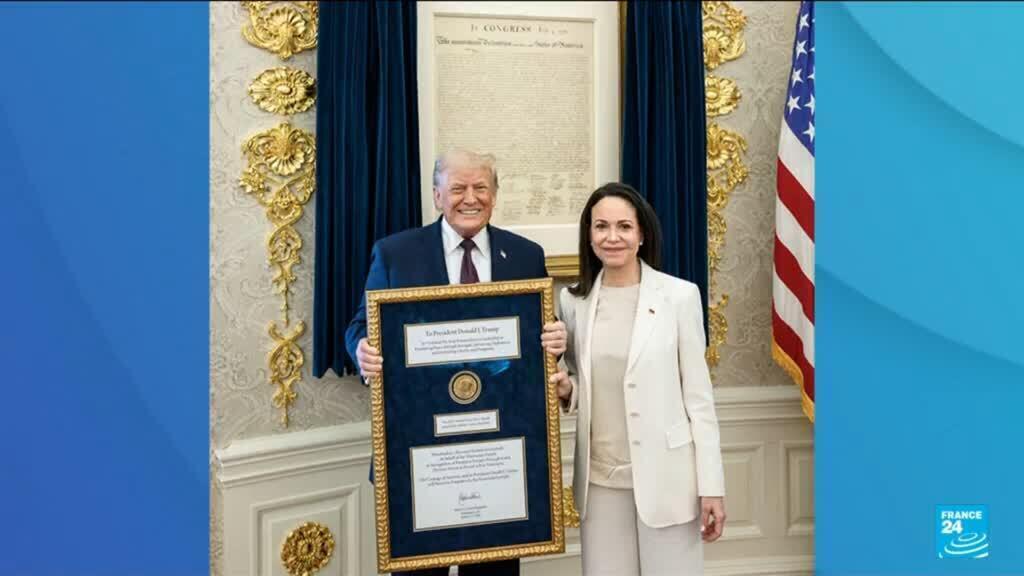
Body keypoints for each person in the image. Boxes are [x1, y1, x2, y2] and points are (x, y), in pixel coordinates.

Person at [345, 150, 568, 576]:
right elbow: (361, 325)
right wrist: (362, 350)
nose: (471, 198)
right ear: (437, 195)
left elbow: (537, 335)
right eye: (459, 188)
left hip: (499, 448)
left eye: (481, 187)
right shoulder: (396, 254)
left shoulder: (525, 255)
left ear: (495, 194)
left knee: (495, 571)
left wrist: (554, 337)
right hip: (419, 448)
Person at [550, 182, 726, 575]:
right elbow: (582, 377)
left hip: (668, 477)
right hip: (599, 482)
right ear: (589, 234)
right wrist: (567, 389)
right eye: (601, 227)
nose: (612, 237)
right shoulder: (573, 301)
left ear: (642, 234)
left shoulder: (679, 297)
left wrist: (711, 485)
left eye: (624, 227)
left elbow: (699, 399)